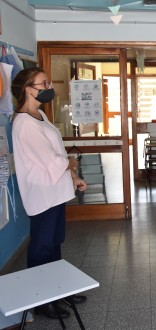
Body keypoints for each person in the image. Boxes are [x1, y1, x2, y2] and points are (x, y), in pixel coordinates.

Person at [11, 68, 88, 319]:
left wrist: (73, 177)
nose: (48, 86)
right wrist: (72, 165)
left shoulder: (41, 115)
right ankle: (42, 301)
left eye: (48, 82)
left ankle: (59, 290)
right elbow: (51, 159)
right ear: (28, 89)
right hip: (43, 195)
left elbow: (59, 152)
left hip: (56, 191)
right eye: (43, 83)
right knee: (41, 249)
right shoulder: (23, 123)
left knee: (54, 245)